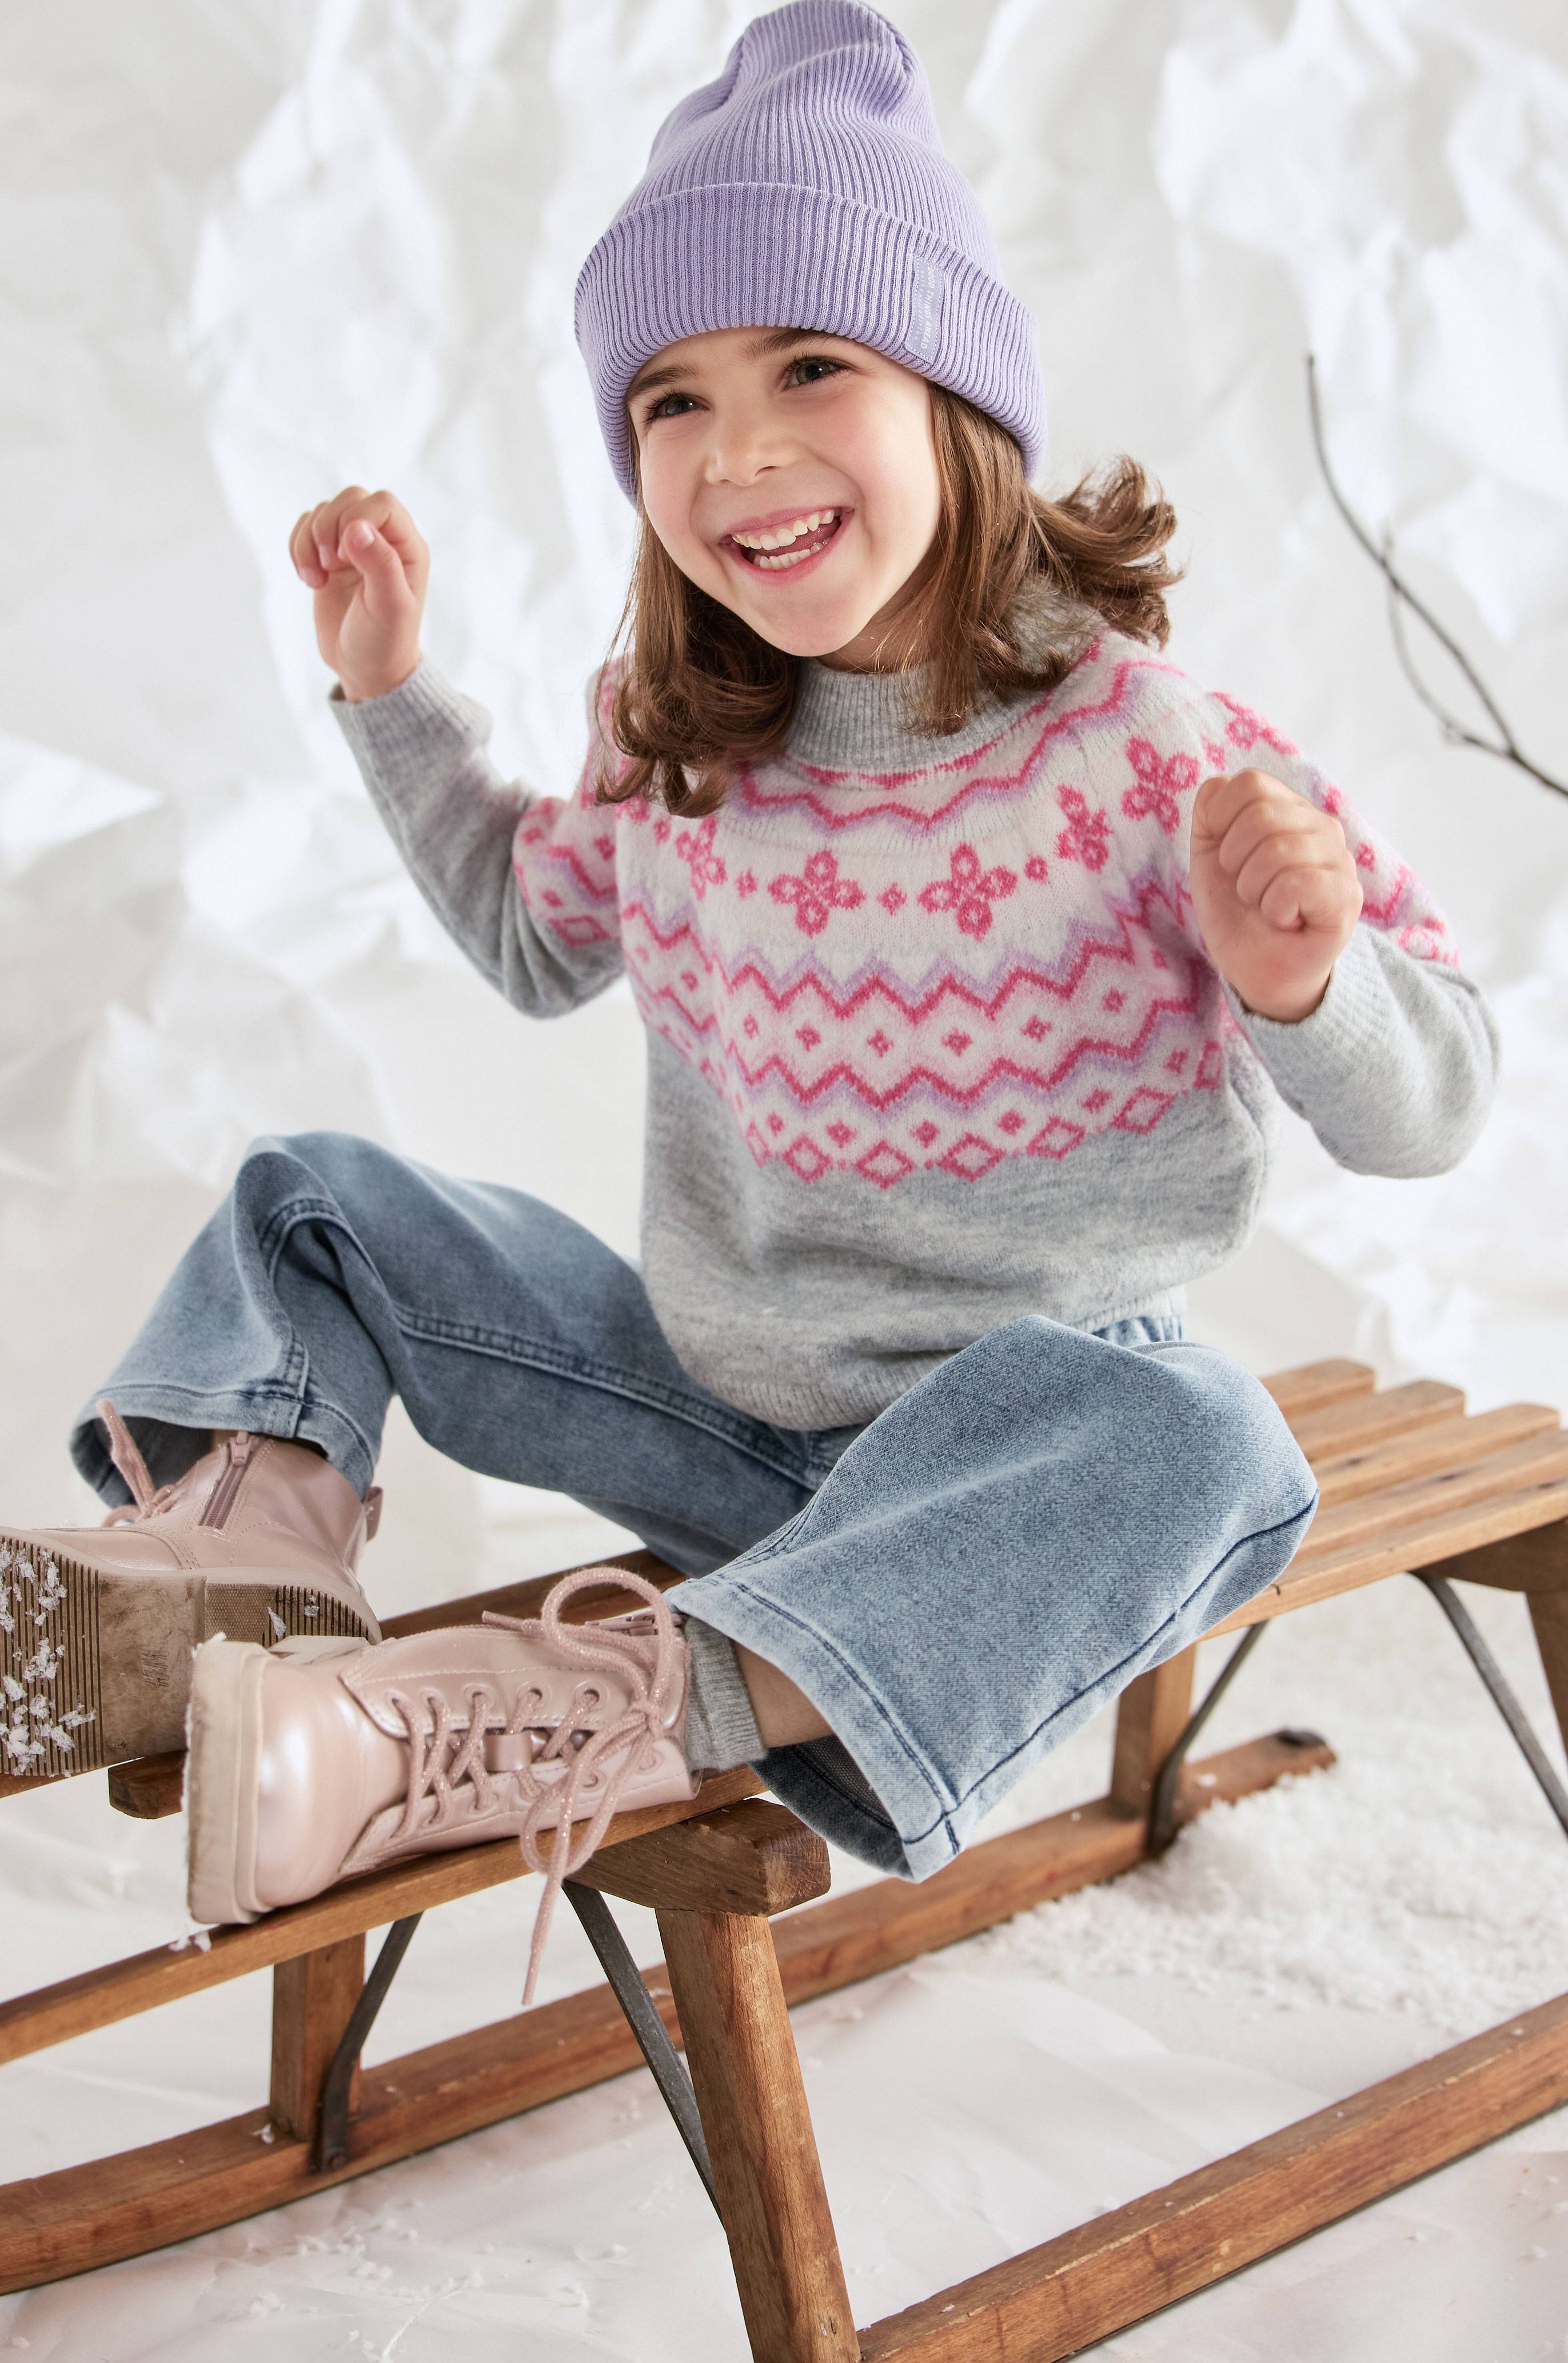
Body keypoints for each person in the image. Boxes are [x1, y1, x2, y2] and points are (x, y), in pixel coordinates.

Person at [2, 0, 1495, 1998]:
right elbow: (530, 938)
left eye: (810, 364)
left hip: (1020, 1466)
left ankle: (588, 1708)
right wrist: (391, 691)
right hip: (719, 1412)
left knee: (1217, 1439)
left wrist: (1309, 982)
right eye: (672, 402)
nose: (741, 451)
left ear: (957, 395)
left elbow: (1437, 1107)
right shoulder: (678, 739)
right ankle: (239, 1575)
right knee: (313, 1198)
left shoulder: (1143, 747)